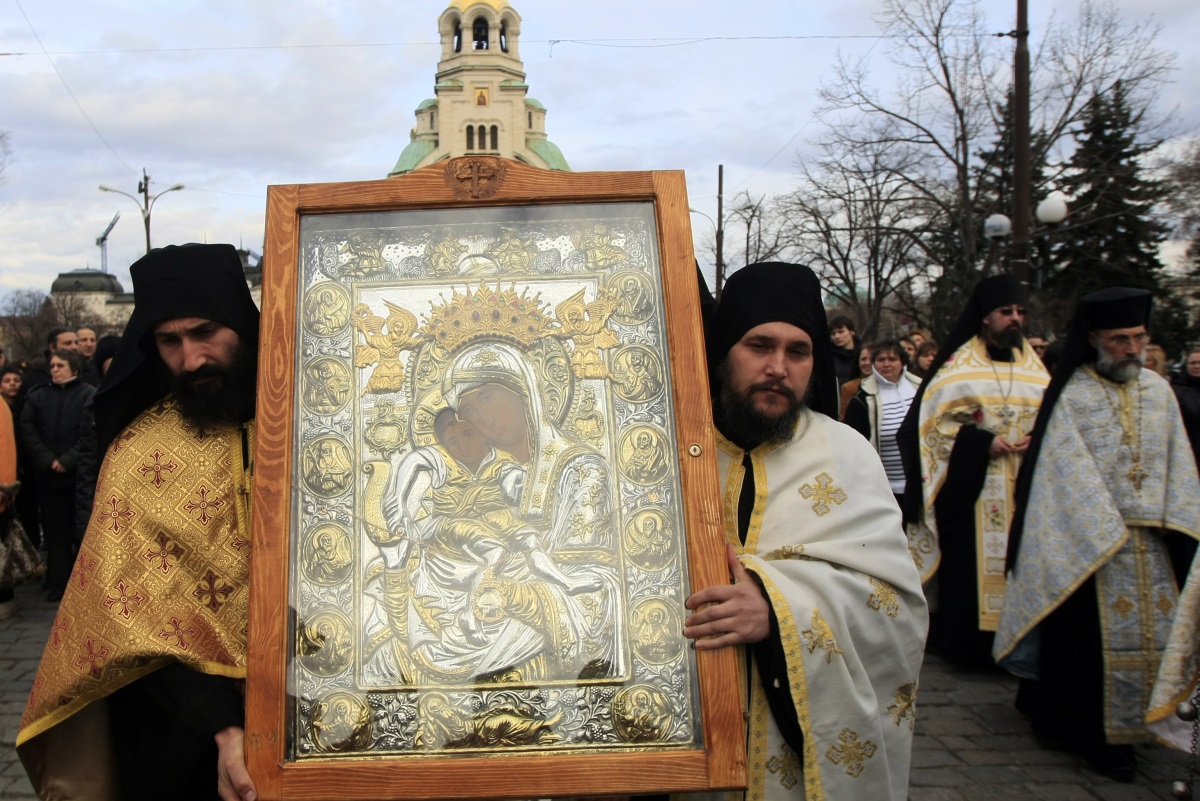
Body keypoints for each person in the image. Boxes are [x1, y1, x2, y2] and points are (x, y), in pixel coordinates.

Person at [17, 244, 260, 801]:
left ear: (241, 324)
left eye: (206, 333)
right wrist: (224, 727)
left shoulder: (312, 420)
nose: (192, 358)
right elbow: (126, 620)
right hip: (189, 730)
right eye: (169, 342)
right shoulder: (139, 453)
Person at [684, 262, 927, 800]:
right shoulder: (670, 453)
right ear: (725, 351)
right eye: (759, 345)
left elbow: (896, 608)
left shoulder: (847, 455)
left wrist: (775, 608)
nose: (778, 367)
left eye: (798, 352)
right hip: (686, 734)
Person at [995, 287, 1199, 781]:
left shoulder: (1159, 391)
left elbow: (1180, 464)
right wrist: (1101, 524)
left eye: (1139, 338)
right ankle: (1097, 738)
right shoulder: (1074, 395)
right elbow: (1061, 474)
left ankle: (1144, 726)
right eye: (1120, 338)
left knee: (1157, 640)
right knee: (1087, 651)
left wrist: (1180, 521)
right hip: (1088, 546)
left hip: (1152, 545)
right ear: (1094, 339)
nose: (1133, 348)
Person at [898, 274, 1049, 668]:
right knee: (970, 568)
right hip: (975, 490)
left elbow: (1054, 419)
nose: (1014, 319)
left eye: (1020, 312)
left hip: (1026, 484)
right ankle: (970, 649)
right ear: (986, 317)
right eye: (1005, 312)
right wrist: (984, 444)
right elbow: (933, 425)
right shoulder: (959, 367)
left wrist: (1038, 436)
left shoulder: (1035, 369)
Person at [18, 349, 95, 601]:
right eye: (52, 365)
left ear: (74, 367)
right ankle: (58, 584)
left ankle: (83, 585)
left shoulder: (88, 395)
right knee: (55, 532)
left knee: (81, 532)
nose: (54, 369)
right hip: (48, 477)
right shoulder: (39, 395)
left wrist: (67, 460)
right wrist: (48, 459)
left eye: (60, 365)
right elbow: (28, 428)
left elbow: (89, 435)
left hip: (78, 478)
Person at [844, 339, 922, 506]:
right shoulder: (862, 399)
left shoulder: (920, 389)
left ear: (902, 362)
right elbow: (853, 446)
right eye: (881, 360)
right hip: (885, 489)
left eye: (892, 359)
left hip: (921, 484)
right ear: (873, 364)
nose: (887, 364)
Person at [1172, 347, 1200, 470]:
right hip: (1189, 449)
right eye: (1193, 363)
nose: (1197, 366)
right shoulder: (1176, 389)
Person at [838, 345, 872, 420]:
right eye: (863, 359)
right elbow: (843, 417)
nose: (867, 363)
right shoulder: (848, 388)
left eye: (871, 359)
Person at [827, 314, 860, 387]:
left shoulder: (863, 354)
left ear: (852, 332)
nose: (836, 336)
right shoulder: (827, 357)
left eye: (841, 332)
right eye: (833, 334)